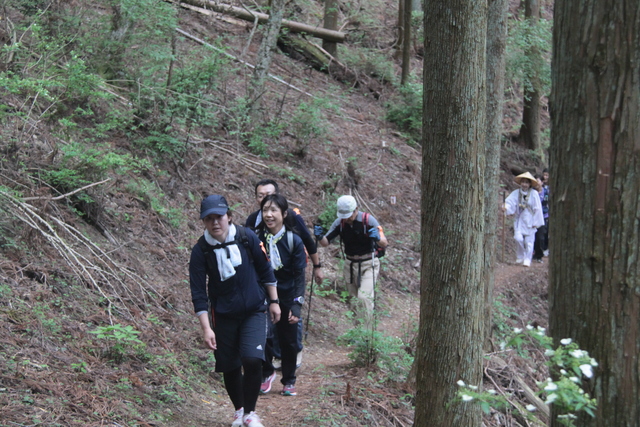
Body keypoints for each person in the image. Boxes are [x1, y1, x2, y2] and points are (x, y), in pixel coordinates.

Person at [189, 195, 280, 427]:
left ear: (228, 216)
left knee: (251, 360)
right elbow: (198, 293)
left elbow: (265, 269)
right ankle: (239, 410)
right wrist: (206, 328)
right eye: (209, 219)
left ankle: (250, 413)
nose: (215, 223)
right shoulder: (201, 251)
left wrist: (274, 301)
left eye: (219, 217)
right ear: (204, 222)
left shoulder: (246, 238)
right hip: (223, 315)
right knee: (229, 364)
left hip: (254, 310)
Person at [245, 179, 323, 368]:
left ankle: (291, 354)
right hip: (265, 282)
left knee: (290, 318)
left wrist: (317, 265)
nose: (265, 199)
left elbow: (307, 240)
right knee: (268, 322)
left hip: (289, 280)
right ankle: (273, 360)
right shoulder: (254, 220)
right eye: (261, 196)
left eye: (269, 194)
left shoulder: (291, 219)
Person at [255, 194, 307, 397]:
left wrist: (297, 304)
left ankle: (289, 379)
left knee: (289, 340)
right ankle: (266, 373)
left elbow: (299, 276)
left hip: (287, 294)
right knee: (264, 336)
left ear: (284, 214)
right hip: (263, 295)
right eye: (265, 210)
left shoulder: (294, 240)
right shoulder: (256, 239)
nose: (269, 215)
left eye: (273, 210)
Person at [317, 195, 388, 331]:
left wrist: (377, 237)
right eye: (344, 215)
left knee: (364, 297)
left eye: (349, 214)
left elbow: (384, 242)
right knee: (353, 299)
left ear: (356, 209)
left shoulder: (368, 220)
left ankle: (367, 335)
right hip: (350, 264)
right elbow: (325, 243)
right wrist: (320, 236)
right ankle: (358, 332)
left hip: (369, 263)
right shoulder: (340, 223)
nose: (347, 217)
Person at [503, 172, 544, 267]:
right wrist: (506, 207)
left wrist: (536, 222)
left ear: (530, 184)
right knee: (518, 238)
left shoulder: (534, 194)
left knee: (529, 242)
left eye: (526, 182)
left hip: (530, 219)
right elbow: (510, 202)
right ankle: (520, 256)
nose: (524, 184)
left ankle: (527, 259)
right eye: (523, 182)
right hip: (519, 219)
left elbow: (537, 208)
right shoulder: (516, 193)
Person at [532, 175, 547, 263]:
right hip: (532, 217)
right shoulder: (531, 193)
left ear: (542, 182)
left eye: (538, 181)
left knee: (541, 237)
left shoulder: (546, 192)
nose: (537, 183)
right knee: (532, 236)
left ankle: (539, 255)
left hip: (544, 217)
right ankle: (532, 253)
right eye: (535, 181)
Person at [541, 168, 550, 257]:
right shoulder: (541, 185)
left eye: (547, 175)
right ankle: (543, 247)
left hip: (550, 211)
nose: (545, 177)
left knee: (548, 230)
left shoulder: (551, 186)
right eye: (544, 175)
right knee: (544, 230)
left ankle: (547, 247)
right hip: (543, 211)